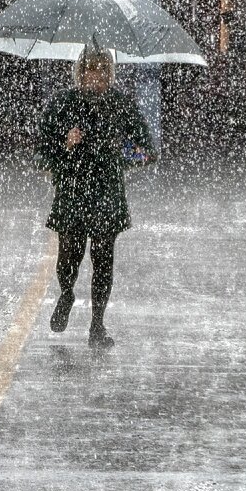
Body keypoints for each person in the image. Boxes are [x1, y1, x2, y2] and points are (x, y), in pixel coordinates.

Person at [36, 48, 155, 347]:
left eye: (103, 72)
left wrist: (121, 151)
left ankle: (97, 326)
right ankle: (66, 293)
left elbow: (146, 151)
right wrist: (66, 143)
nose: (97, 77)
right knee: (69, 258)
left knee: (103, 262)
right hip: (73, 194)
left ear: (110, 74)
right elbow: (41, 154)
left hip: (107, 194)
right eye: (91, 71)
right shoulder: (62, 105)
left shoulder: (121, 106)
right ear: (80, 73)